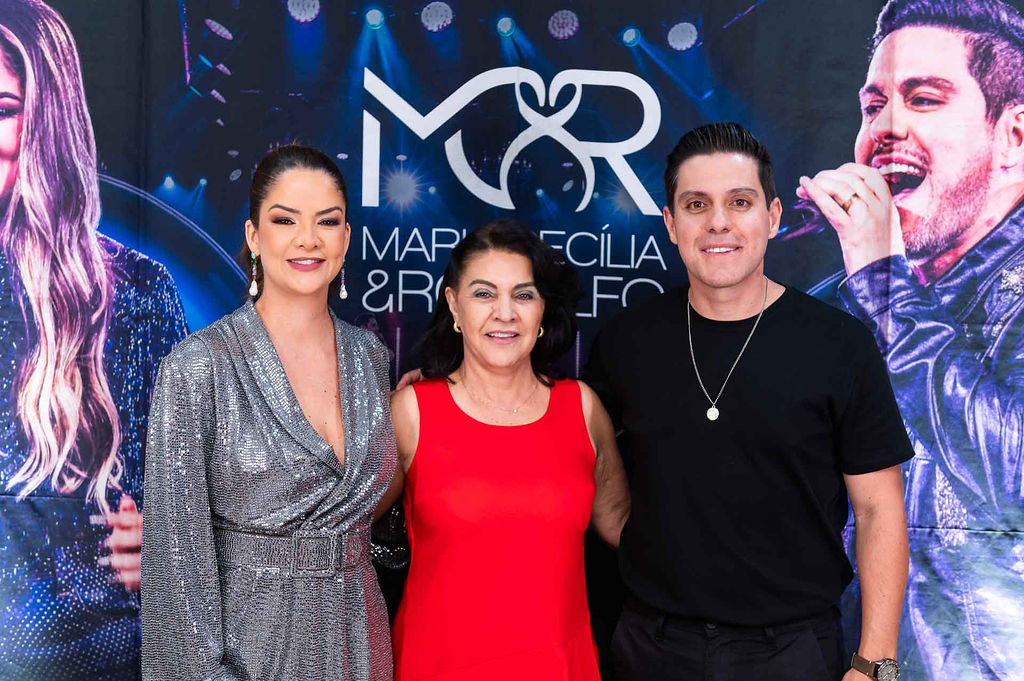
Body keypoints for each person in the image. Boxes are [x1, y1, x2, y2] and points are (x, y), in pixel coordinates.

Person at [583, 122, 913, 681]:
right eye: (696, 204)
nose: (718, 222)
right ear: (671, 223)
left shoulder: (839, 344)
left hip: (791, 653)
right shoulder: (625, 342)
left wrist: (876, 665)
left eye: (740, 202)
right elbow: (599, 486)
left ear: (773, 216)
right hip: (651, 648)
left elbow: (879, 511)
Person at [796, 1, 1024, 677]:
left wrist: (882, 280)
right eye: (873, 106)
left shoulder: (877, 286)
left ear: (1014, 136)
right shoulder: (840, 303)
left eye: (923, 99)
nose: (886, 128)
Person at [141, 144, 396, 681]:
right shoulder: (199, 366)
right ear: (254, 236)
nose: (308, 239)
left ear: (346, 238)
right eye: (285, 220)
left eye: (327, 221)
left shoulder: (370, 357)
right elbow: (175, 565)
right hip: (252, 651)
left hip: (359, 642)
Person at [0, 1, 187, 678]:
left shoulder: (133, 290)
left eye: (2, 109)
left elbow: (191, 483)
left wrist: (167, 547)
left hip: (90, 652)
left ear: (46, 120)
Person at [388, 219, 630, 681]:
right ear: (454, 305)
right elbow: (342, 529)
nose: (505, 313)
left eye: (523, 295)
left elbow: (624, 527)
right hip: (438, 668)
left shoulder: (581, 407)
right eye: (484, 294)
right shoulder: (411, 411)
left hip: (558, 668)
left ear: (543, 310)